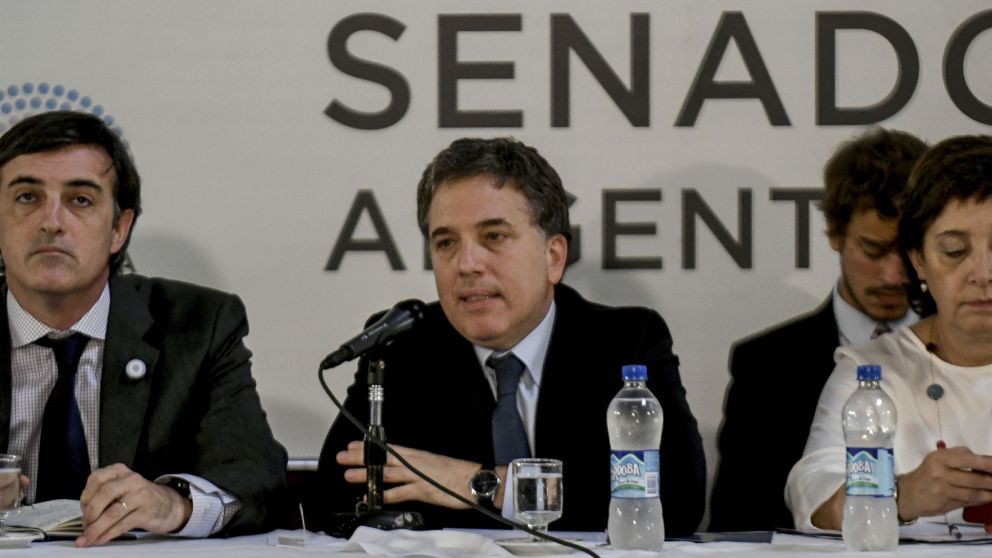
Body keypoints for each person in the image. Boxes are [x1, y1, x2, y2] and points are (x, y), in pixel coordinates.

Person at [317, 137, 705, 534]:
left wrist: (482, 483)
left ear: (553, 257)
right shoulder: (404, 347)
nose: (466, 264)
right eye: (446, 242)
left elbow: (674, 500)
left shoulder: (624, 343)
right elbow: (332, 499)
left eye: (494, 237)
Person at [0, 111, 287, 546]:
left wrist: (172, 504)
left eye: (80, 200)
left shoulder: (196, 326)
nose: (51, 222)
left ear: (119, 229)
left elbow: (256, 477)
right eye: (27, 197)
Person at [709, 128, 927, 531]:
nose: (894, 274)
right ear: (834, 232)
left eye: (909, 251)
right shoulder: (765, 365)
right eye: (873, 249)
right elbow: (736, 524)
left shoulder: (973, 349)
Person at [786, 134, 992, 530]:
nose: (982, 274)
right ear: (918, 261)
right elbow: (811, 494)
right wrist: (899, 495)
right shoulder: (872, 371)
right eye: (954, 251)